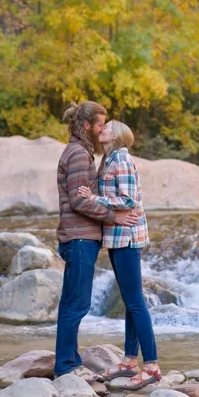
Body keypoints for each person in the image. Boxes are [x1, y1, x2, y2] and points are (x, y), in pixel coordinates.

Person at [51, 100, 141, 382]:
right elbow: (79, 200)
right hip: (78, 237)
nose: (103, 128)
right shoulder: (78, 154)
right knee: (76, 304)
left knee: (73, 302)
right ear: (87, 126)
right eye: (100, 124)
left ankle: (68, 362)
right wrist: (114, 217)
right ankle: (66, 366)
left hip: (82, 236)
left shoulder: (81, 152)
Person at [75, 119, 158, 389]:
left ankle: (152, 366)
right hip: (117, 237)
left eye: (108, 127)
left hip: (128, 237)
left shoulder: (121, 160)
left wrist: (94, 198)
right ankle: (129, 361)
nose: (103, 129)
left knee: (135, 302)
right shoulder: (109, 159)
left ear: (118, 134)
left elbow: (129, 199)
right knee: (129, 301)